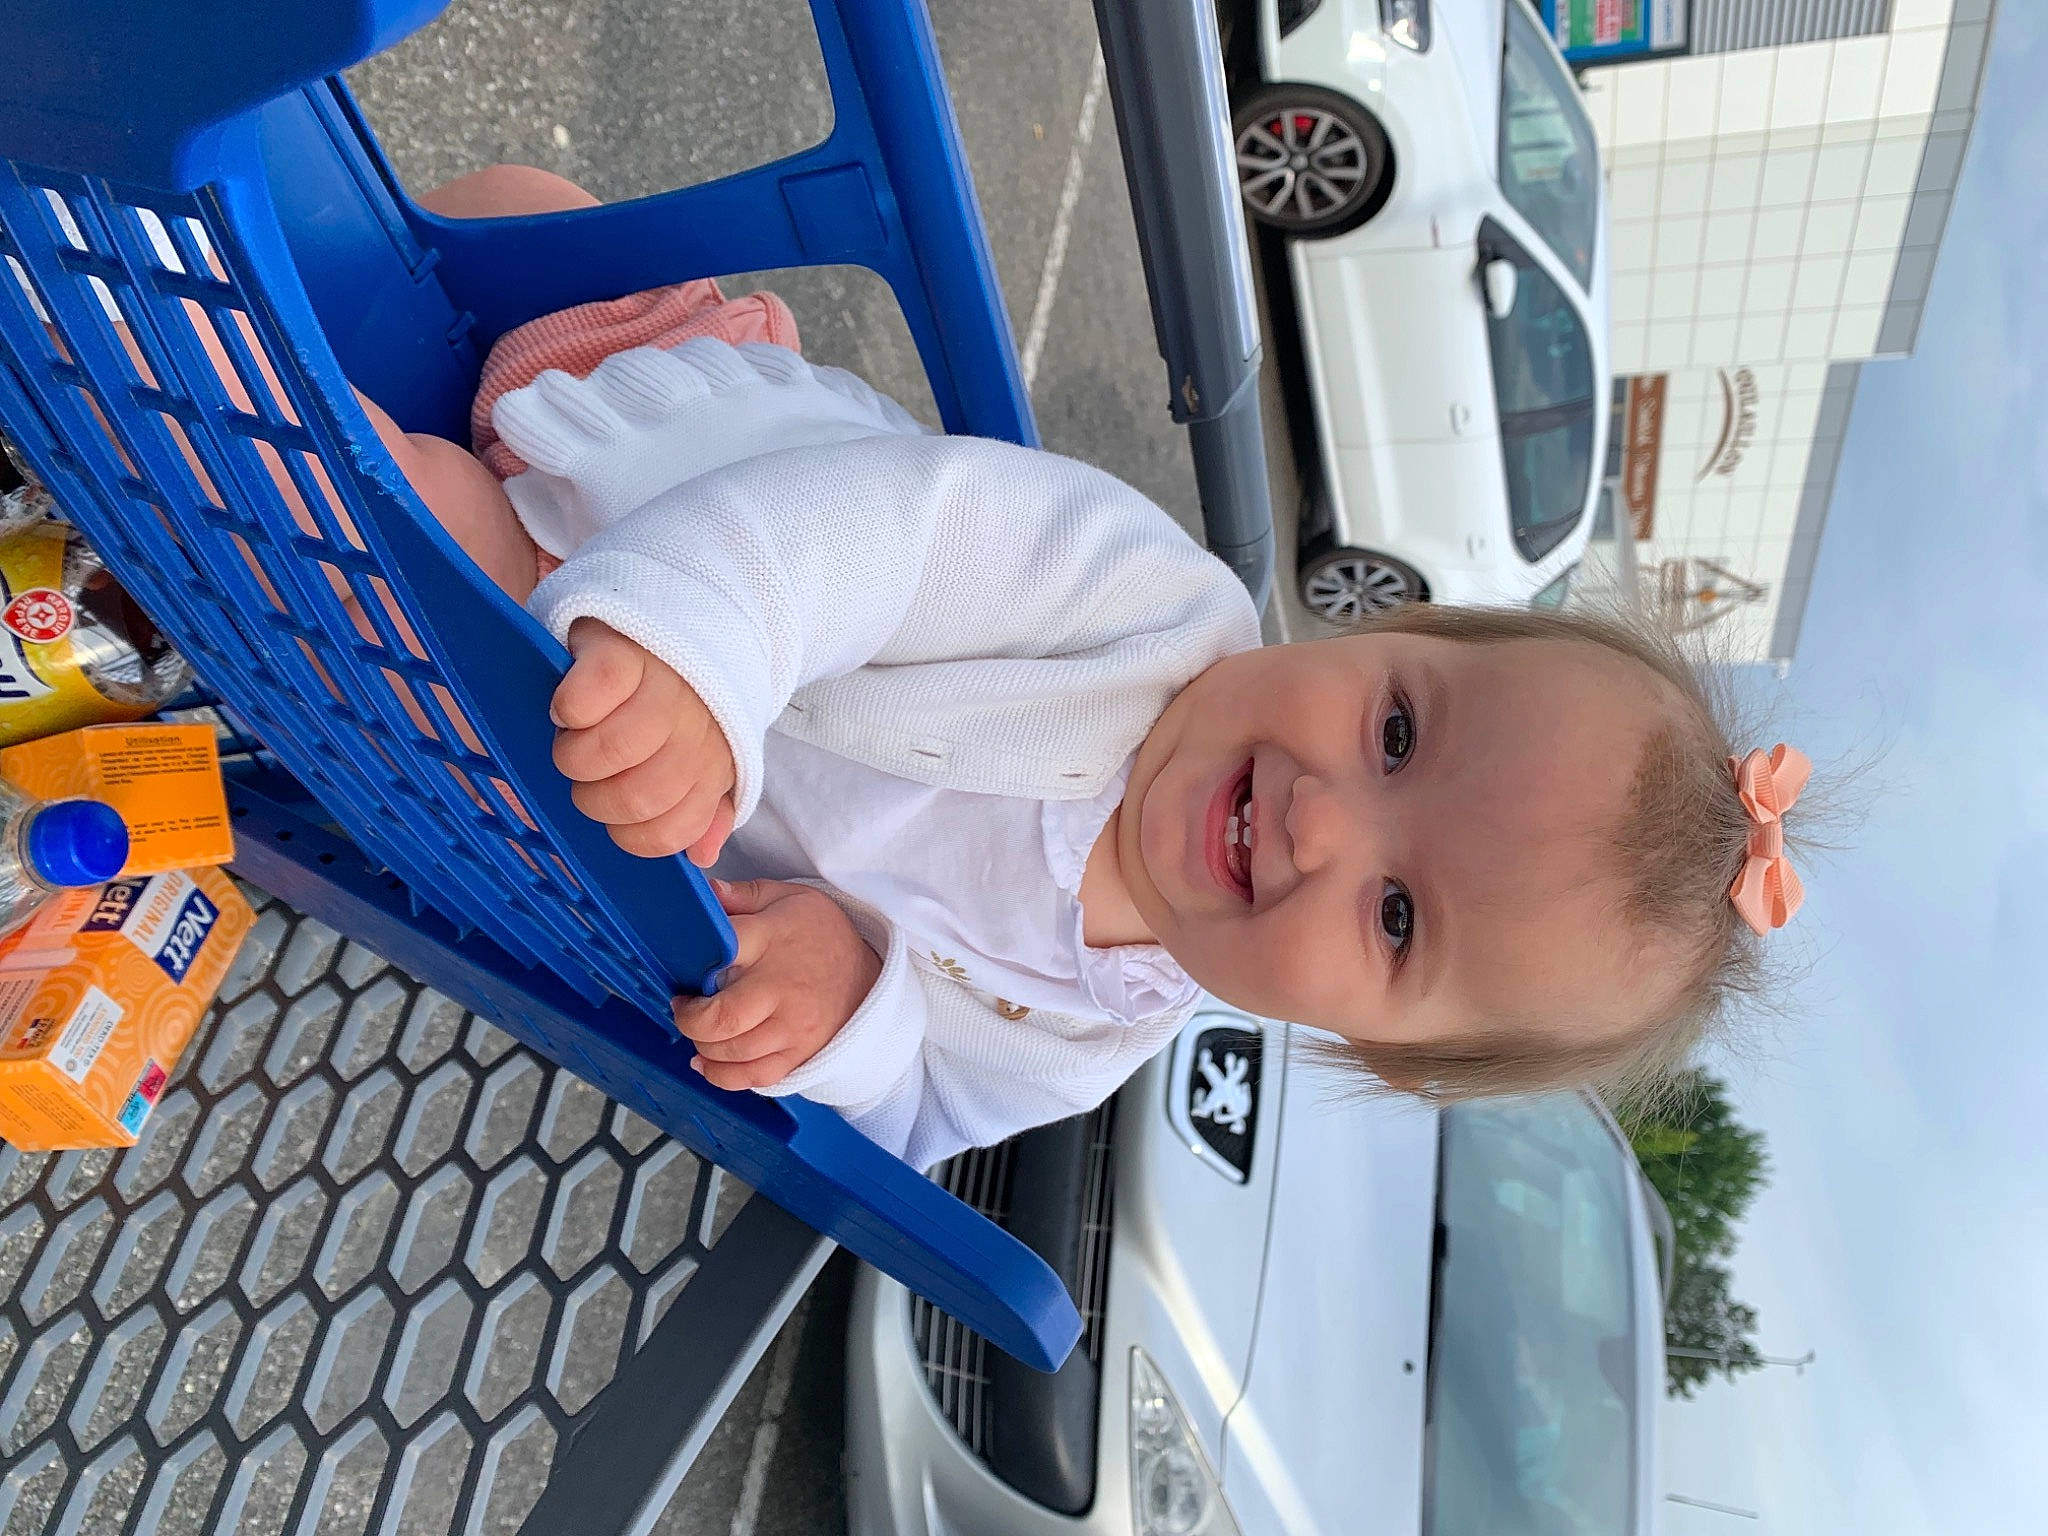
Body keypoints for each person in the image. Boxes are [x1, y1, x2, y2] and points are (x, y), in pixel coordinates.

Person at [211, 168, 1824, 1170]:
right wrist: (699, 655)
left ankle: (148, 375)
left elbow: (918, 1108)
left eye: (1399, 916)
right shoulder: (1150, 608)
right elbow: (886, 536)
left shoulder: (1087, 1039)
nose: (1326, 820)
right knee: (501, 215)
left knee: (386, 515)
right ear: (1384, 630)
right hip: (674, 469)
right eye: (1397, 730)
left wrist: (855, 1007)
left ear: (1379, 1050)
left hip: (557, 676)